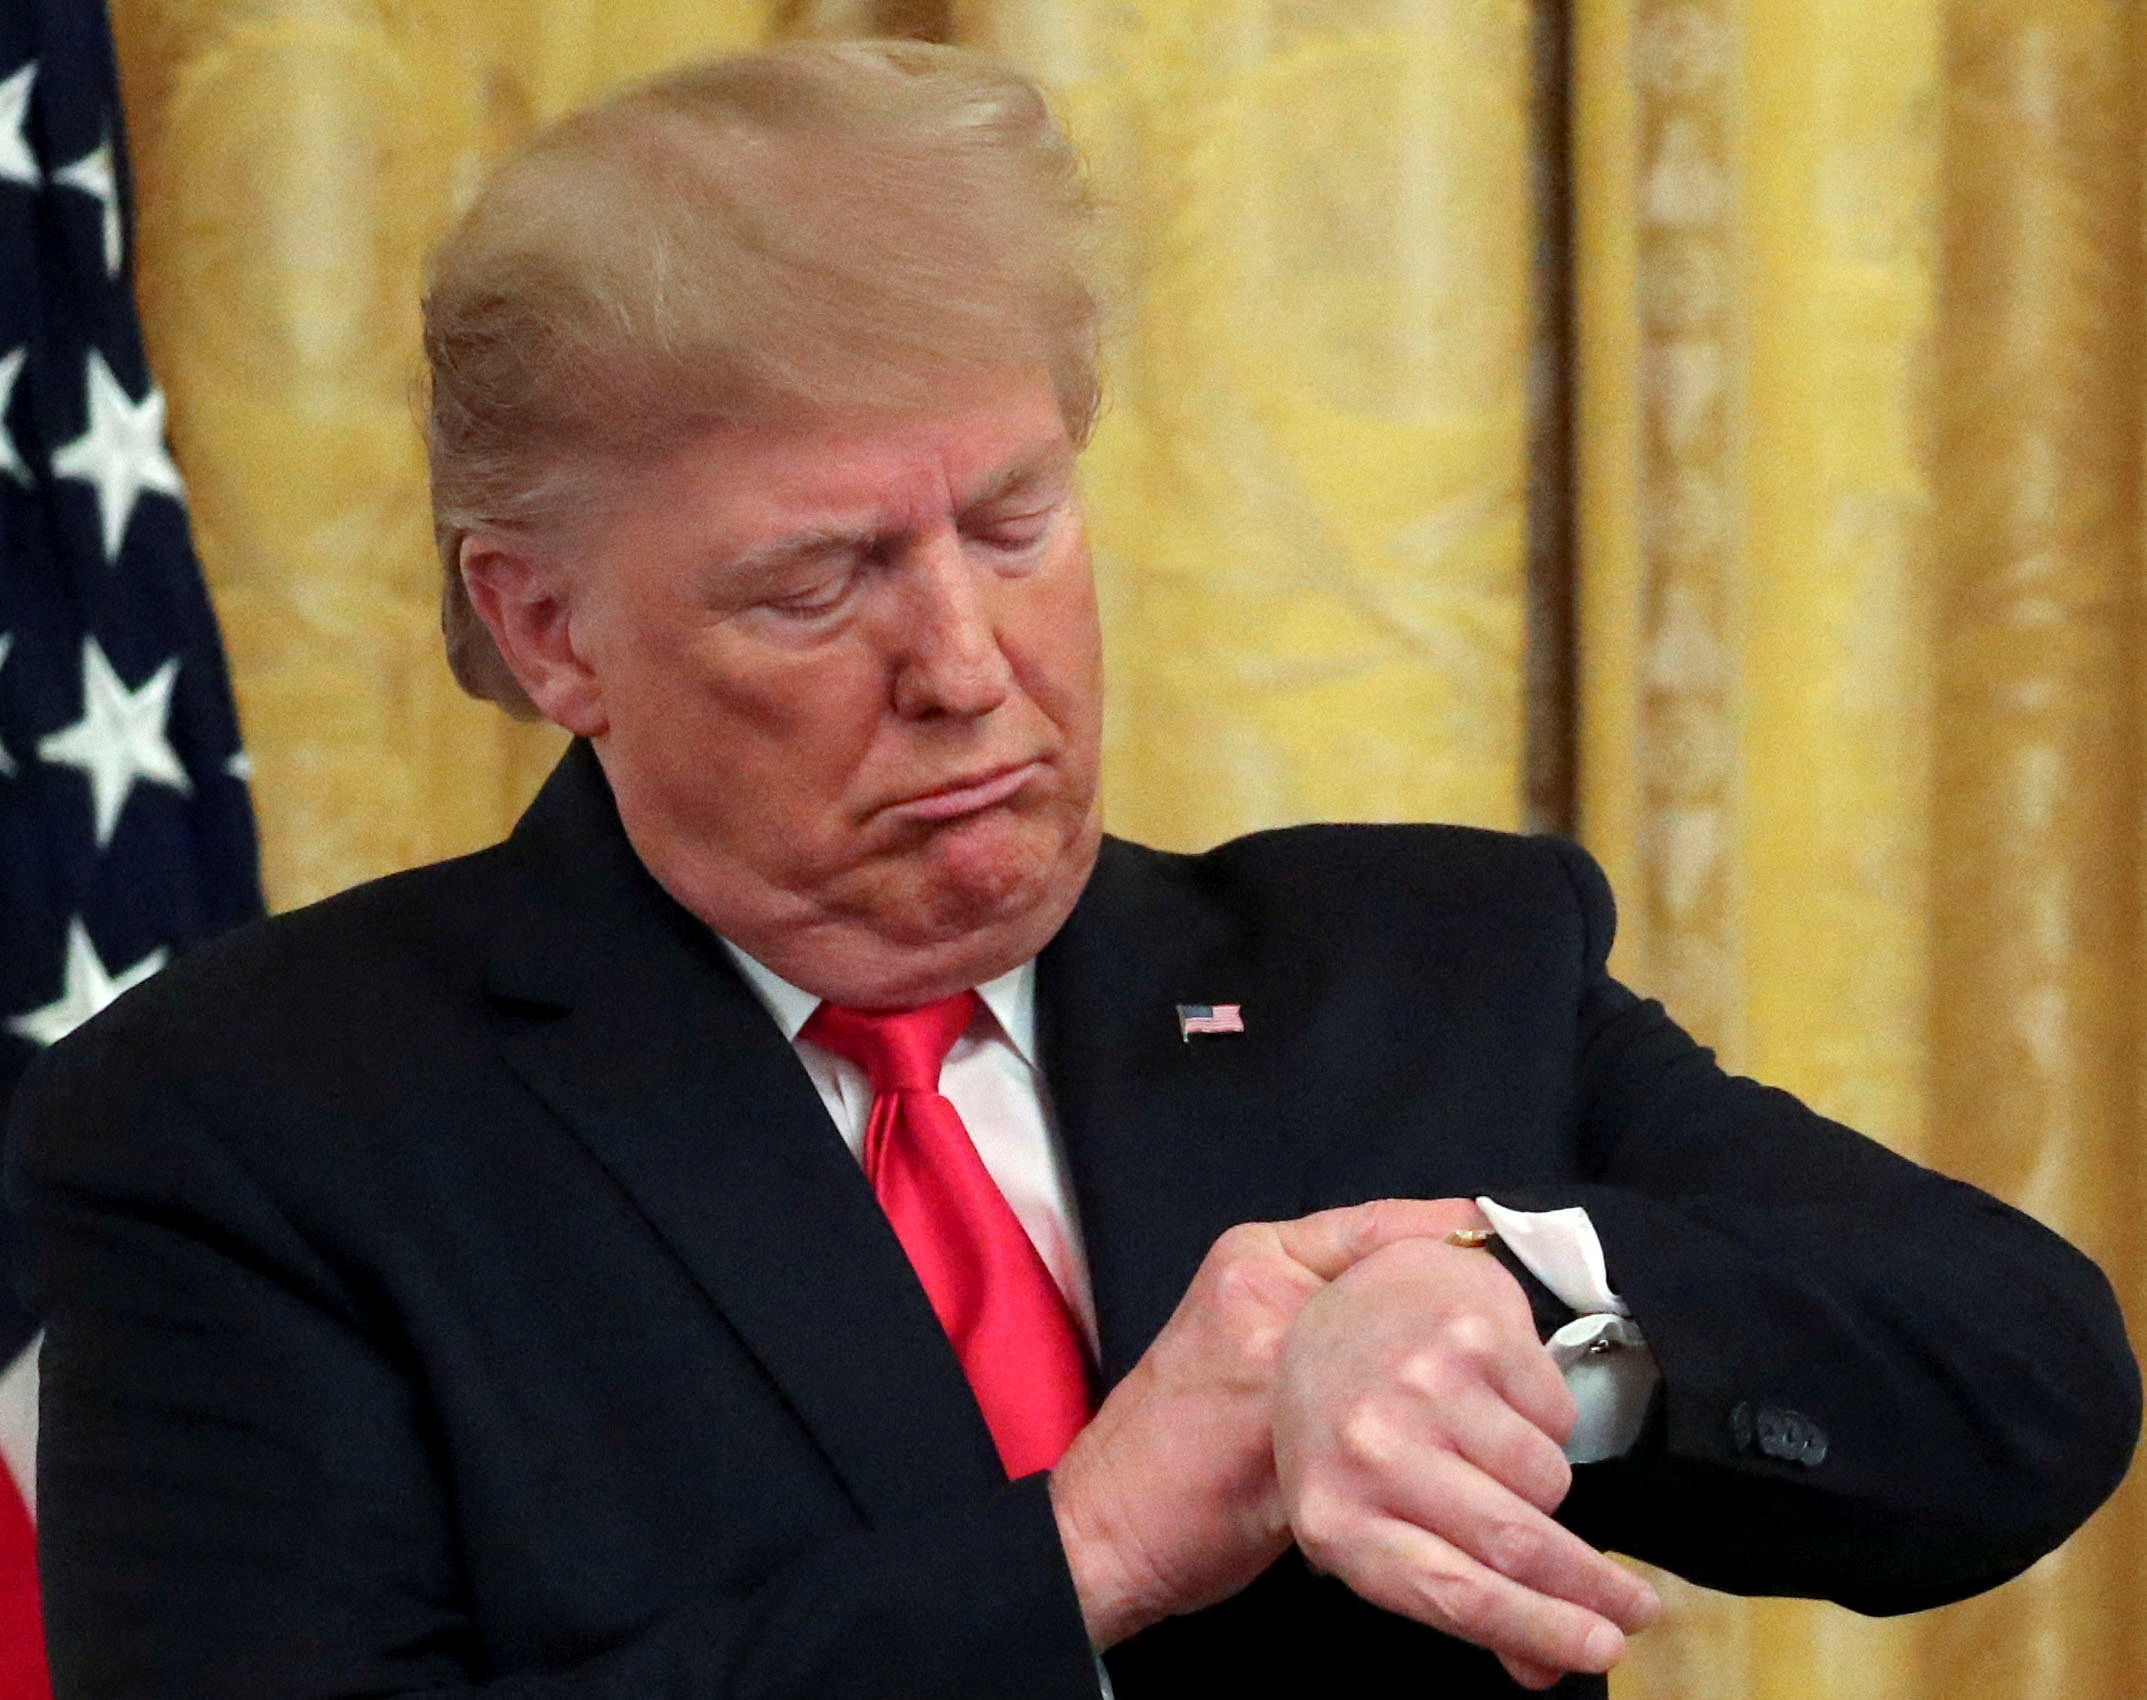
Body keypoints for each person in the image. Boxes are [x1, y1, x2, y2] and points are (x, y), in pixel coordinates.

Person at [8, 39, 2137, 1700]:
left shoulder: (1419, 967)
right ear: (552, 627)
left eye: (1015, 523)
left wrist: (1518, 1313)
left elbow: (2026, 1381)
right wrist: (1082, 1550)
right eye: (819, 581)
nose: (964, 663)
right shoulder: (254, 1122)